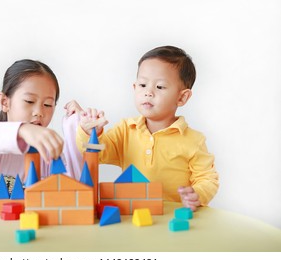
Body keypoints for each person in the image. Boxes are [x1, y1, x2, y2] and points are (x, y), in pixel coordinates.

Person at [76, 46, 219, 211]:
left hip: (172, 218)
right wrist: (89, 133)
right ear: (134, 88)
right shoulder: (125, 130)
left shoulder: (194, 140)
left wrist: (197, 194)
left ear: (182, 97)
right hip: (134, 216)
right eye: (143, 85)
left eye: (159, 87)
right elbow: (97, 155)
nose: (148, 92)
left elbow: (208, 179)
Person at [0, 59, 83, 202]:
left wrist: (74, 127)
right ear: (4, 102)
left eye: (47, 104)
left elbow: (77, 194)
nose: (39, 112)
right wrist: (23, 130)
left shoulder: (51, 156)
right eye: (29, 101)